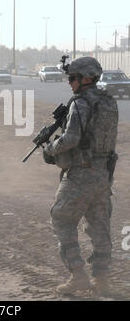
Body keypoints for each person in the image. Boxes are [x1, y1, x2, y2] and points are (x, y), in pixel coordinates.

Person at [43, 56, 118, 296]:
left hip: (81, 174)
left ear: (86, 78)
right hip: (103, 174)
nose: (70, 83)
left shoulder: (81, 103)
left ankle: (78, 276)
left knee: (62, 219)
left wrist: (50, 149)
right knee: (100, 226)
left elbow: (71, 139)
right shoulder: (109, 102)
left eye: (72, 78)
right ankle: (102, 280)